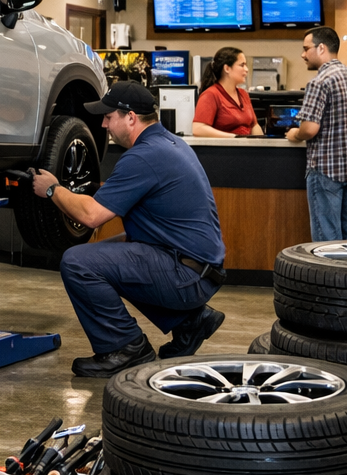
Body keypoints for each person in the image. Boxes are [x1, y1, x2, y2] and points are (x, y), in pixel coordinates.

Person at [25, 82, 227, 378]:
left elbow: (92, 216)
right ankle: (190, 321)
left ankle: (125, 349)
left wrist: (53, 189)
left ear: (131, 117)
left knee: (78, 263)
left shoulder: (142, 156)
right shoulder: (169, 144)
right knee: (112, 252)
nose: (104, 123)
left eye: (109, 116)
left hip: (186, 275)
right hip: (198, 268)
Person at [287, 26, 347, 240]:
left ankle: (330, 275)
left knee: (327, 239)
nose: (303, 55)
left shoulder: (319, 82)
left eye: (306, 49)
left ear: (321, 48)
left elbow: (309, 129)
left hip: (327, 170)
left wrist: (295, 134)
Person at [192, 46, 258, 138]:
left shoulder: (243, 94)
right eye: (242, 65)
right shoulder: (211, 95)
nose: (246, 69)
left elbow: (254, 125)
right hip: (224, 150)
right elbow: (198, 129)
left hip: (246, 150)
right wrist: (234, 138)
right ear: (227, 68)